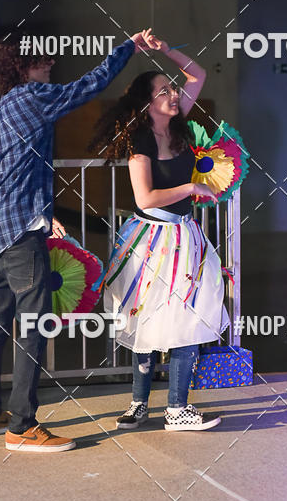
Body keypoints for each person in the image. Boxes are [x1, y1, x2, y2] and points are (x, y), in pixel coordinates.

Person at [0, 29, 155, 452]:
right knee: (34, 329)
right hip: (21, 237)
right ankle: (22, 426)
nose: (51, 64)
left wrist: (44, 212)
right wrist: (127, 47)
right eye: (42, 60)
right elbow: (90, 85)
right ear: (21, 67)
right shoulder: (33, 99)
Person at [90, 40, 229, 431]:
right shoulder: (141, 143)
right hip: (149, 241)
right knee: (145, 320)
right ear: (147, 103)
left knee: (186, 315)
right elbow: (145, 197)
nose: (173, 93)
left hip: (183, 238)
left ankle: (177, 408)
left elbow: (197, 74)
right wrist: (190, 189)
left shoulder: (179, 122)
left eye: (172, 88)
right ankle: (138, 403)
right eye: (163, 91)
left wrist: (166, 48)